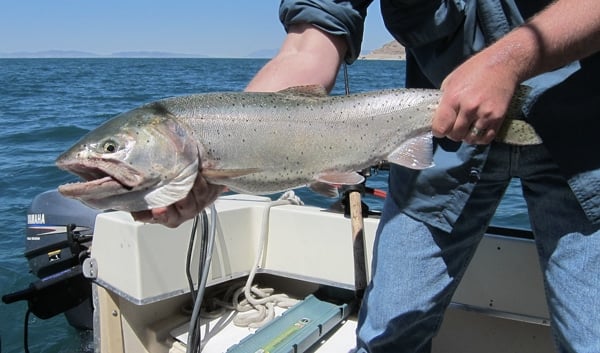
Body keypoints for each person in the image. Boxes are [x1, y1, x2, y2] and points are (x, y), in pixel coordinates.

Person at [133, 0, 600, 351]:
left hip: (584, 134)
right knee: (387, 335)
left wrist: (505, 62)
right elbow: (305, 48)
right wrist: (220, 159)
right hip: (436, 140)